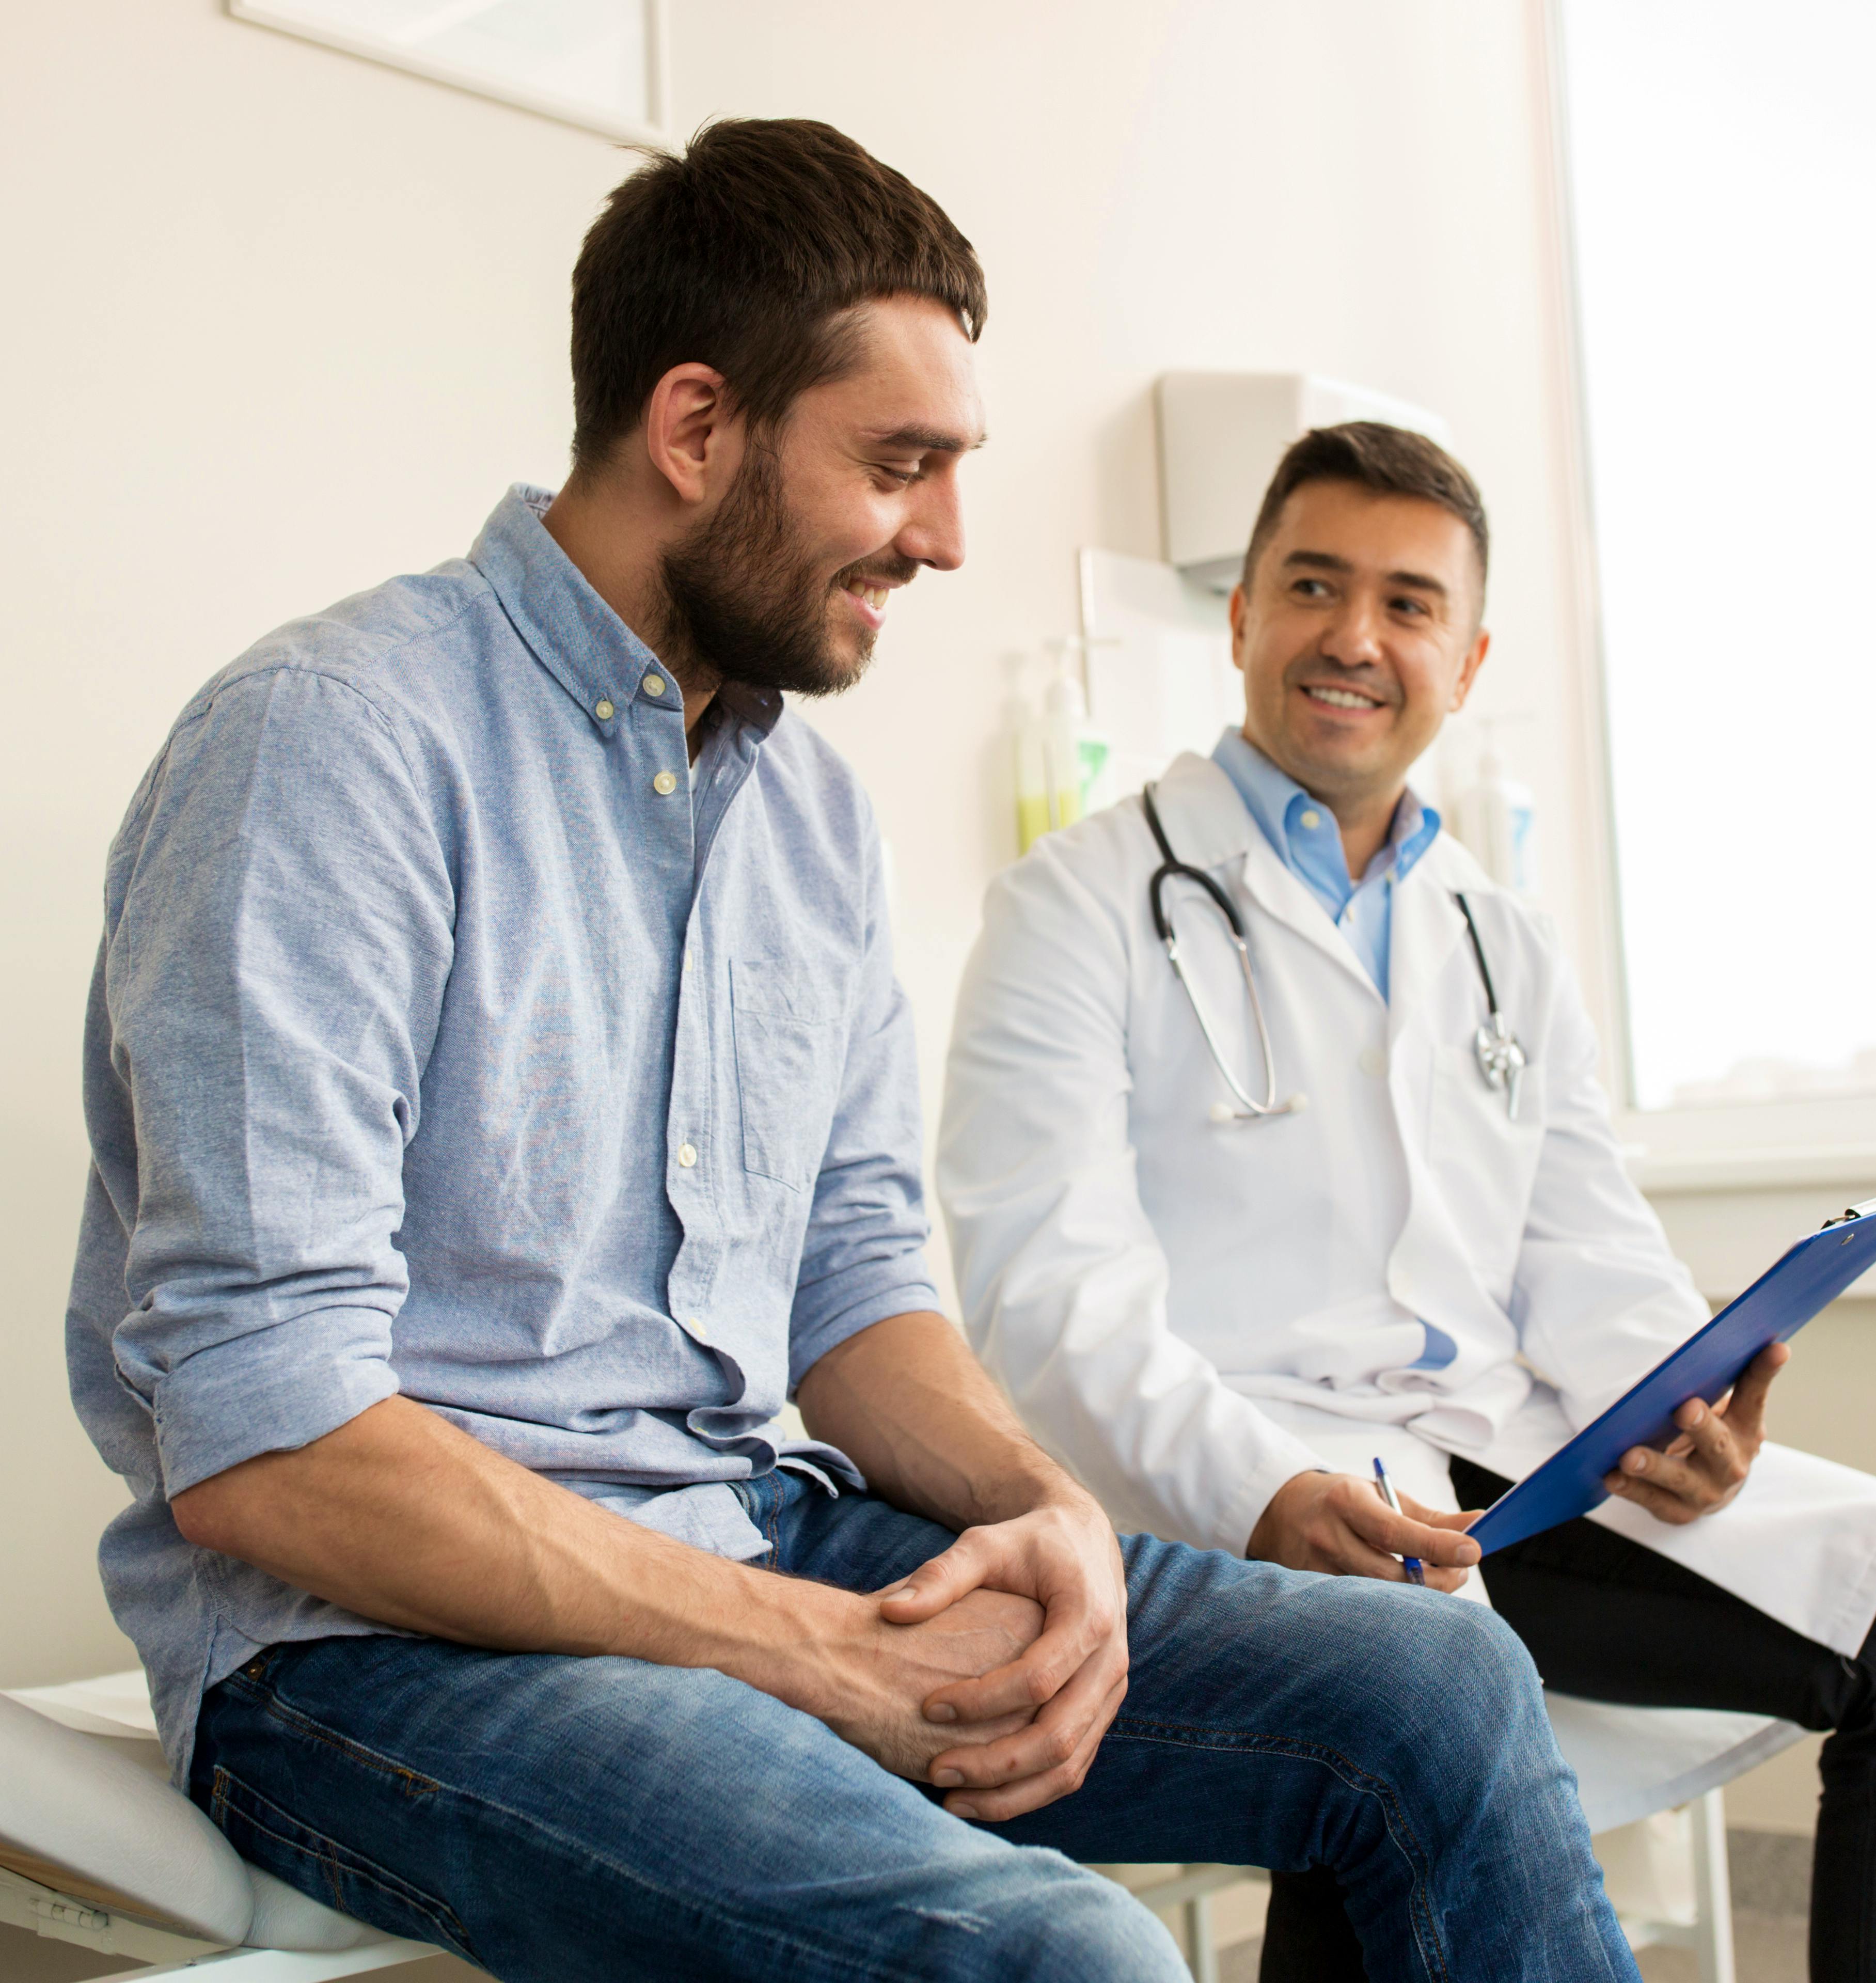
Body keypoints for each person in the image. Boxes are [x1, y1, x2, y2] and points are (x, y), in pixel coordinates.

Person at [65, 124, 1638, 1983]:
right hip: (373, 1648)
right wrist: (802, 1649)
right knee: (1074, 1959)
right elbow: (273, 1448)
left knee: (1438, 1681)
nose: (948, 538)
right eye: (899, 467)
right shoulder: (332, 748)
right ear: (697, 428)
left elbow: (854, 1293)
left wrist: (1047, 1513)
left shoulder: (804, 818)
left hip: (755, 1528)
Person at [937, 421, 1876, 1983]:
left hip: (1511, 1474)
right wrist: (1266, 1494)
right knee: (1406, 1703)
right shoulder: (1075, 906)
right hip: (1236, 1492)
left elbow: (1588, 1251)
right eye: (1313, 584)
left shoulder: (1498, 932)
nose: (1356, 637)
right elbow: (1049, 1303)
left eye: (1409, 604)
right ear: (1242, 617)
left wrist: (1678, 1412)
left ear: (1469, 657)